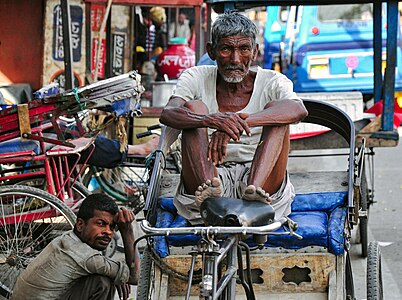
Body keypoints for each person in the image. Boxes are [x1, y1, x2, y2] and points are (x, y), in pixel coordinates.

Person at [159, 11, 308, 225]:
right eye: (226, 49)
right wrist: (210, 120)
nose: (236, 59)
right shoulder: (195, 77)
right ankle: (211, 195)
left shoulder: (273, 81)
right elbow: (168, 113)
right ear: (212, 51)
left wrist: (239, 121)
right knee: (194, 107)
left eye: (244, 49)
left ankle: (253, 191)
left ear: (255, 51)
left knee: (279, 111)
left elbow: (298, 110)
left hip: (262, 181)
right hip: (207, 184)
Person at [11, 194, 140, 300]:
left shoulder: (68, 239)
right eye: (101, 224)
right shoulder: (86, 257)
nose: (108, 232)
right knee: (103, 283)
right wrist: (127, 231)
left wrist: (118, 276)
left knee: (103, 277)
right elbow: (134, 277)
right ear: (80, 224)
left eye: (112, 227)